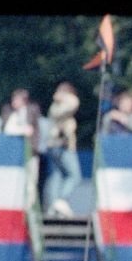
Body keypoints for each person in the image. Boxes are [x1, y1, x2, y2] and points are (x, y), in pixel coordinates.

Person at [43, 82, 82, 218]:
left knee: (56, 176)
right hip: (64, 145)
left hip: (52, 145)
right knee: (75, 176)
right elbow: (74, 103)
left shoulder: (55, 107)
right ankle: (60, 201)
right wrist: (65, 96)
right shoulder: (63, 104)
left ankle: (53, 207)